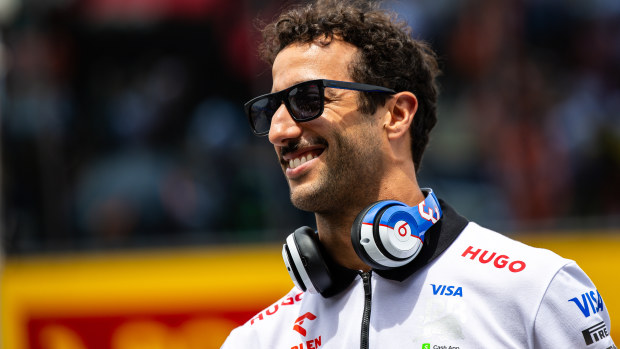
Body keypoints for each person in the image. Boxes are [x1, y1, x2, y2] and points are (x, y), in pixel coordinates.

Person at [222, 0, 615, 348]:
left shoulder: (534, 291)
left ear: (396, 115)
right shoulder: (255, 340)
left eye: (307, 99)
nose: (279, 131)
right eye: (270, 110)